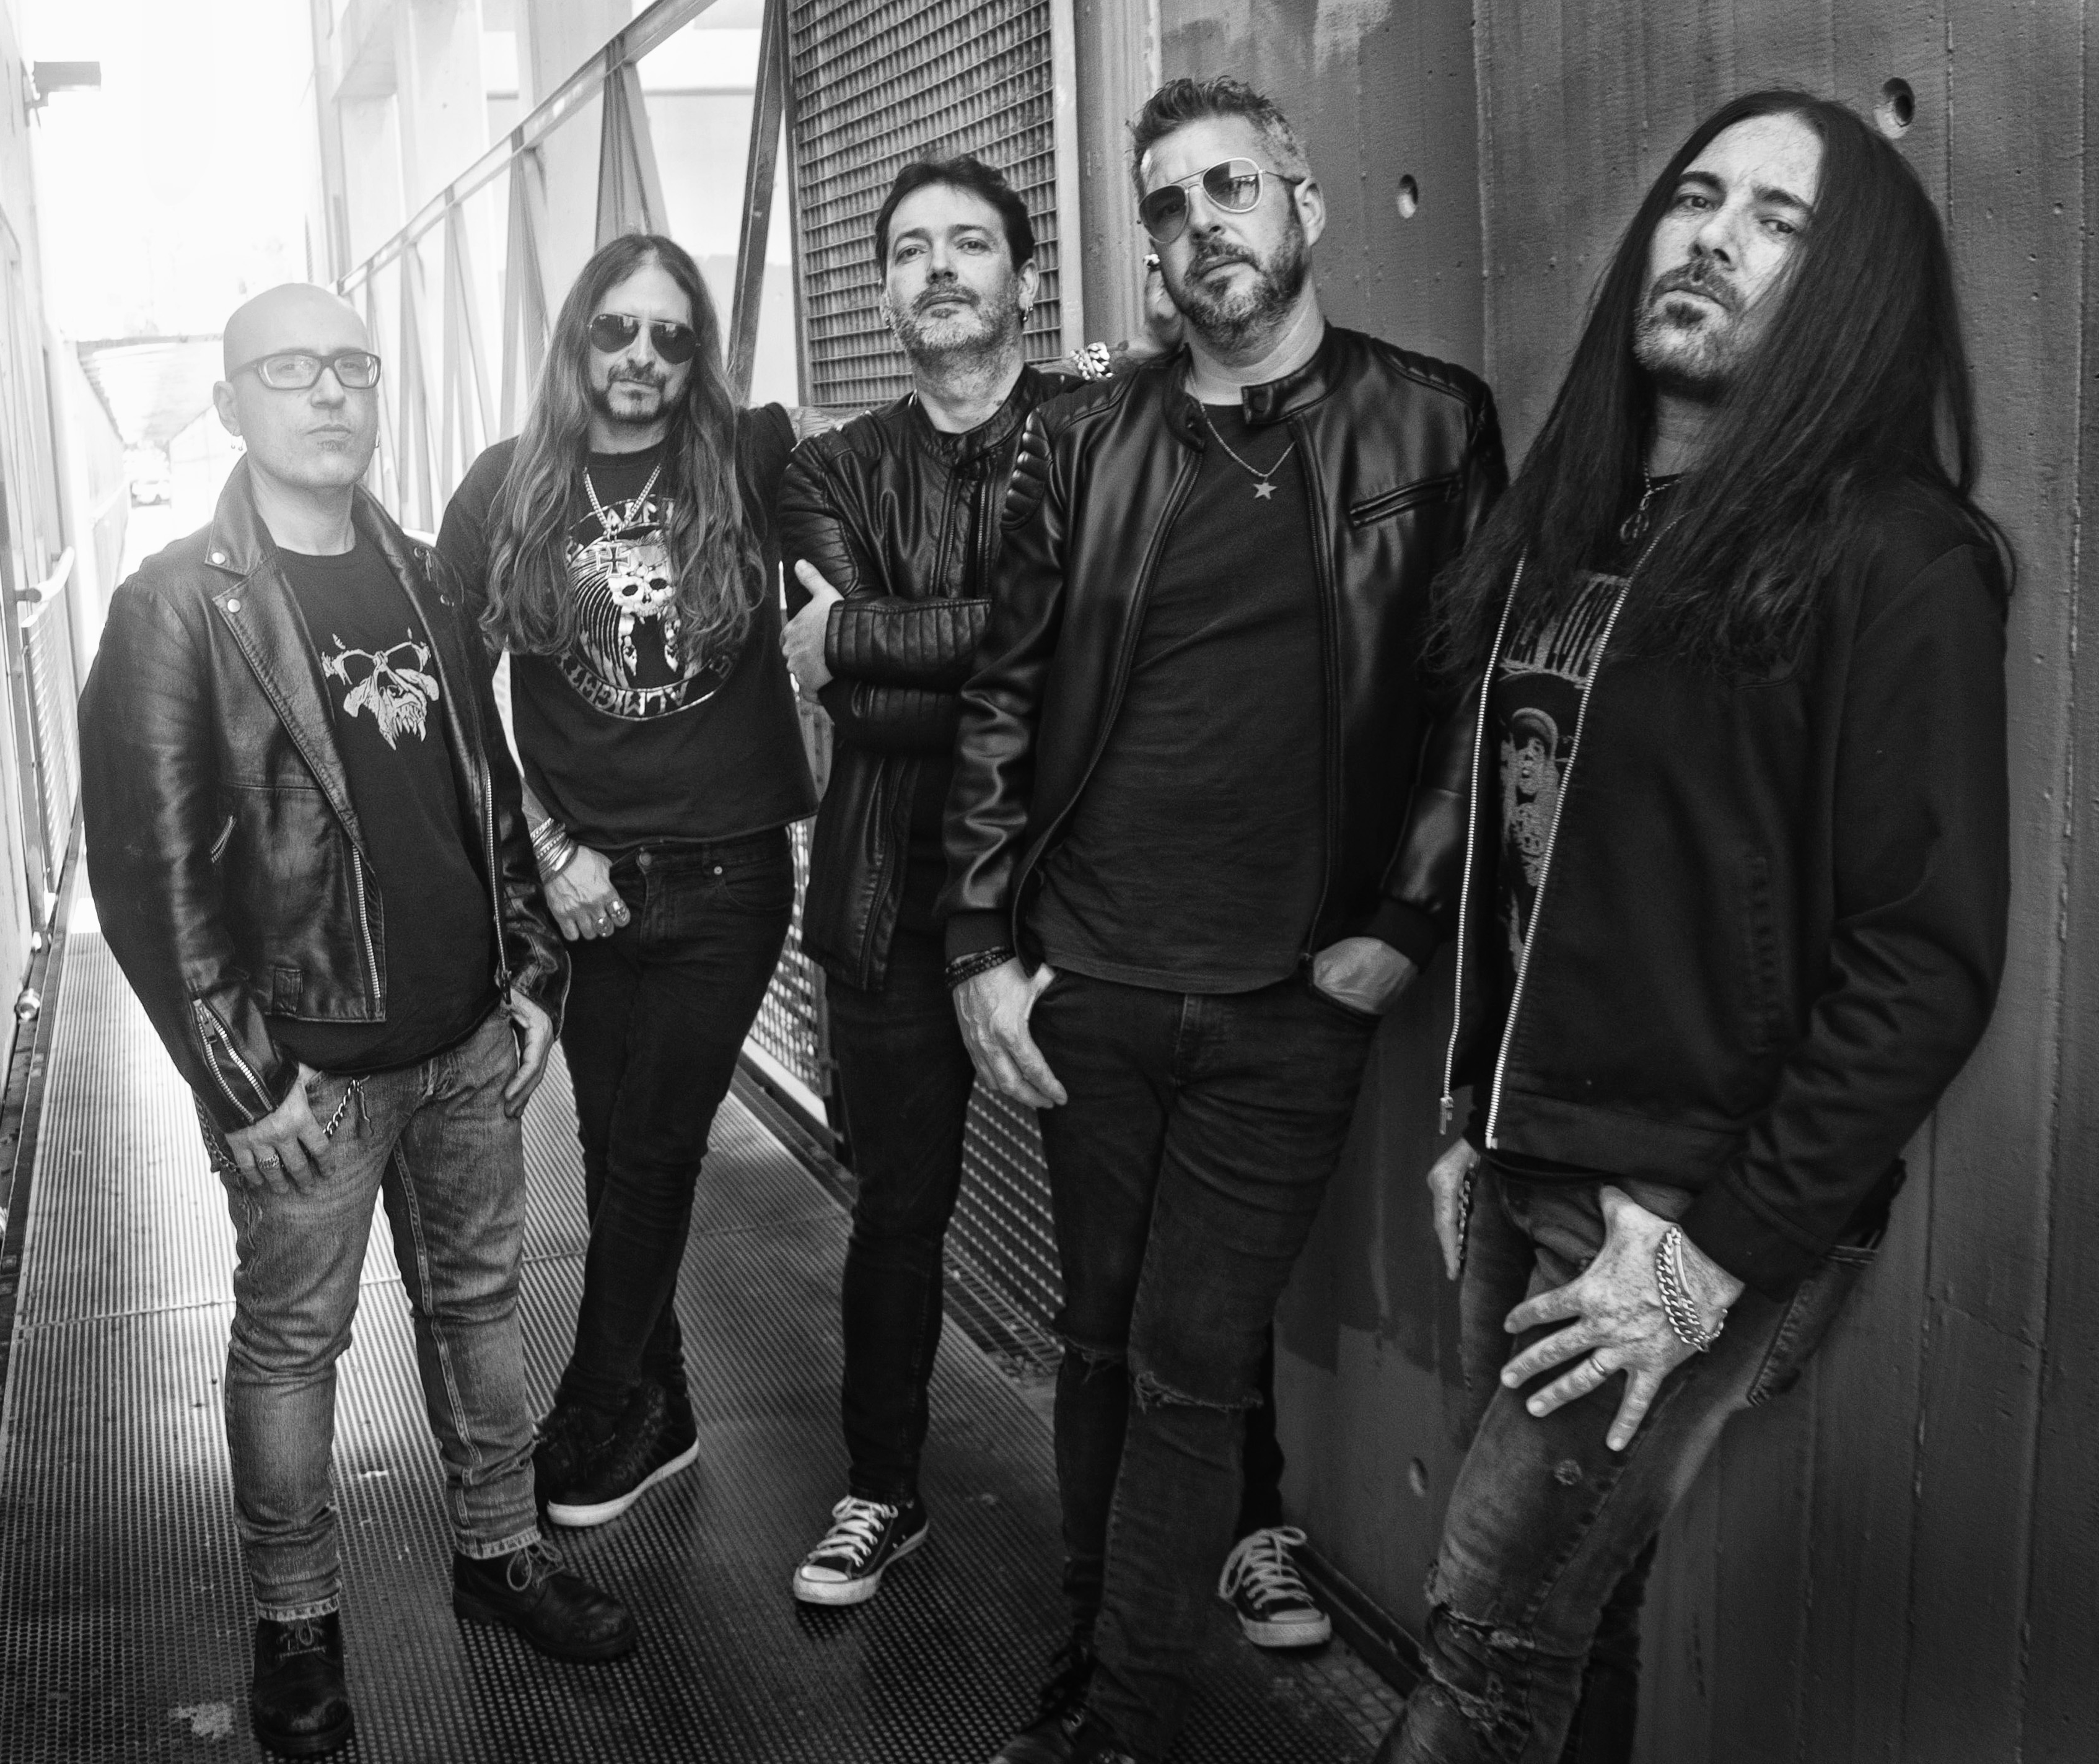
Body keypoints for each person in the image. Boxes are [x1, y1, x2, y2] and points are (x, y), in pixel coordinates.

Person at [1371, 91, 2011, 1764]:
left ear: (1845, 292)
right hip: (1524, 1157)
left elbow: (1924, 962)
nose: (1716, 238)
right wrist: (1471, 1108)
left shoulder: (1895, 554)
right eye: (1698, 199)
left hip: (1680, 1206)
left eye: (1778, 223)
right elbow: (1537, 852)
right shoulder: (1574, 526)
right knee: (1570, 1622)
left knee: (1481, 1641)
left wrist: (1713, 1252)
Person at [944, 78, 1505, 1764]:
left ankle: (1119, 1720)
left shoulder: (1431, 425)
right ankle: (1091, 1647)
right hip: (1097, 981)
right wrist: (982, 946)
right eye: (1169, 207)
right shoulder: (1080, 441)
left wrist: (1406, 919)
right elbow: (1001, 694)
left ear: (1302, 205)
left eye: (1231, 188)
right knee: (1098, 1345)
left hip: (1288, 995)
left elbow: (1471, 695)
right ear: (1151, 255)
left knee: (1189, 1361)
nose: (1203, 226)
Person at [774, 156, 1333, 1645]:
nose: (938, 268)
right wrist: (994, 652)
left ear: (1024, 276)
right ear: (881, 291)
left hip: (1091, 890)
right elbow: (912, 687)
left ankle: (1244, 1517)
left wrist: (876, 640)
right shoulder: (825, 472)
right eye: (909, 249)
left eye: (969, 242)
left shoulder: (1111, 426)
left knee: (1171, 1237)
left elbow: (1099, 649)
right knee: (898, 1213)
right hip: (896, 895)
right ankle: (881, 1487)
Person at [78, 285, 636, 1760]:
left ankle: (500, 1551)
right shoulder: (175, 605)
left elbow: (485, 791)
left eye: (349, 365)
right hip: (306, 1076)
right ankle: (296, 1624)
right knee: (290, 1351)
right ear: (230, 404)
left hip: (465, 1046)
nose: (328, 393)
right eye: (289, 369)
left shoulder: (424, 574)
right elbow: (147, 864)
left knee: (477, 1311)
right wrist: (240, 1080)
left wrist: (529, 978)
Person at [434, 234, 817, 1533]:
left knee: (652, 1152)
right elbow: (453, 701)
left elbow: (911, 460)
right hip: (583, 888)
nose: (643, 356)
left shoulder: (751, 458)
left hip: (726, 878)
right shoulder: (506, 488)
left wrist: (1093, 372)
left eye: (671, 334)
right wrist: (549, 852)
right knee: (613, 1154)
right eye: (618, 328)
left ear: (696, 351)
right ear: (577, 337)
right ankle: (663, 1412)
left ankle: (588, 1409)